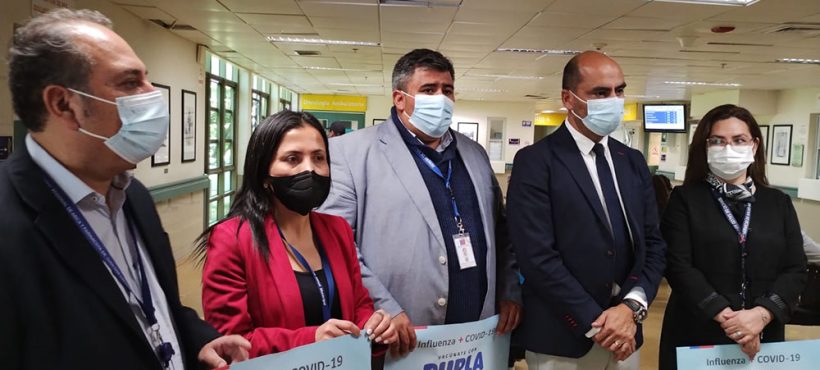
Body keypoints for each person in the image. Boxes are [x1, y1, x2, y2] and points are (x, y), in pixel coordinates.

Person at [0, 8, 250, 370]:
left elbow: (153, 307)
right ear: (63, 104)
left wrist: (198, 340)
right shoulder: (10, 228)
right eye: (130, 83)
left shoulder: (133, 196)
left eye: (147, 79)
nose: (153, 95)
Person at [319, 48, 522, 359]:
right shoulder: (350, 153)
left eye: (447, 90)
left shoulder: (474, 154)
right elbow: (336, 247)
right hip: (400, 333)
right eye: (429, 90)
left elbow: (501, 230)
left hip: (475, 336)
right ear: (399, 99)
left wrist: (508, 291)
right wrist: (384, 306)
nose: (441, 98)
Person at [506, 51, 666, 370]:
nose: (614, 100)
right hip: (564, 337)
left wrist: (630, 308)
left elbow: (653, 245)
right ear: (569, 98)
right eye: (600, 92)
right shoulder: (536, 162)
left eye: (619, 91)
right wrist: (599, 324)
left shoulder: (631, 161)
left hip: (626, 331)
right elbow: (536, 257)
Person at [199, 111, 396, 360]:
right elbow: (228, 344)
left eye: (318, 158)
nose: (310, 169)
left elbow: (359, 304)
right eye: (293, 159)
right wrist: (310, 340)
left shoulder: (338, 230)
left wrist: (373, 325)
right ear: (264, 175)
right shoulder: (233, 239)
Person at [659, 104, 807, 369]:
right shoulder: (685, 200)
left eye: (739, 140)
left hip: (764, 333)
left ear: (754, 145)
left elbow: (795, 268)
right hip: (698, 329)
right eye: (718, 141)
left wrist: (760, 316)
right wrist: (733, 322)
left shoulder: (777, 203)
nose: (728, 148)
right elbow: (678, 266)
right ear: (705, 148)